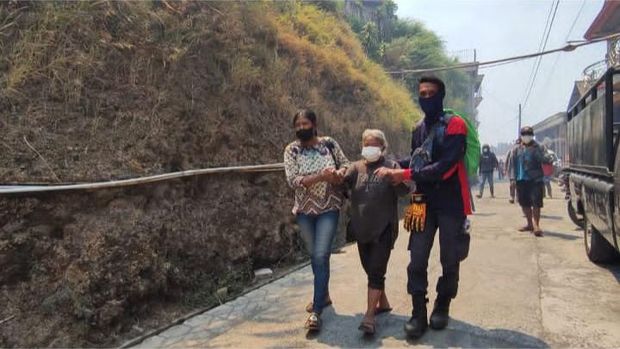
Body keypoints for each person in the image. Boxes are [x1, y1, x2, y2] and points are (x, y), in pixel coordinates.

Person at [375, 76, 472, 339]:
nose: (425, 97)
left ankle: (442, 304)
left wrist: (404, 173)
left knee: (449, 257)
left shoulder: (456, 125)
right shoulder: (418, 127)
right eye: (422, 93)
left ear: (441, 96)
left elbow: (444, 167)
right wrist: (391, 164)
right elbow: (418, 159)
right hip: (421, 201)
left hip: (451, 203)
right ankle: (418, 311)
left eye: (430, 93)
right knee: (416, 257)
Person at [283, 109, 350, 331]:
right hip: (304, 210)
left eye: (305, 123)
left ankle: (317, 311)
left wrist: (339, 174)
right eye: (298, 125)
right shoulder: (292, 150)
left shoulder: (329, 144)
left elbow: (346, 164)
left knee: (321, 254)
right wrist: (321, 176)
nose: (301, 128)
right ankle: (324, 295)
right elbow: (293, 180)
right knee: (315, 256)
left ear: (314, 124)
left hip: (329, 207)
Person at [342, 129, 409, 335]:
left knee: (376, 271)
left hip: (384, 228)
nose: (369, 148)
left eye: (374, 145)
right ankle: (383, 302)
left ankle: (370, 316)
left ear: (382, 147)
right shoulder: (356, 168)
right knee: (370, 269)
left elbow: (406, 190)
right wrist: (335, 176)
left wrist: (393, 178)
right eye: (366, 144)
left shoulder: (391, 166)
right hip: (362, 229)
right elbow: (342, 185)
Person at [512, 126, 551, 237]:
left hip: (535, 179)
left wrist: (547, 156)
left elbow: (545, 159)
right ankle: (529, 224)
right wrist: (512, 178)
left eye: (528, 134)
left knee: (536, 203)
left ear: (532, 135)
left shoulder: (538, 147)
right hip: (521, 179)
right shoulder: (517, 149)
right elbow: (513, 164)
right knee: (524, 203)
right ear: (521, 136)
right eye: (524, 134)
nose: (526, 136)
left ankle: (536, 225)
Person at [505, 138, 521, 204]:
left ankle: (518, 197)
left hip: (519, 171)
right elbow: (506, 161)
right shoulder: (510, 151)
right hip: (512, 170)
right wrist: (506, 169)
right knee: (513, 184)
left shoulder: (524, 150)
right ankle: (512, 197)